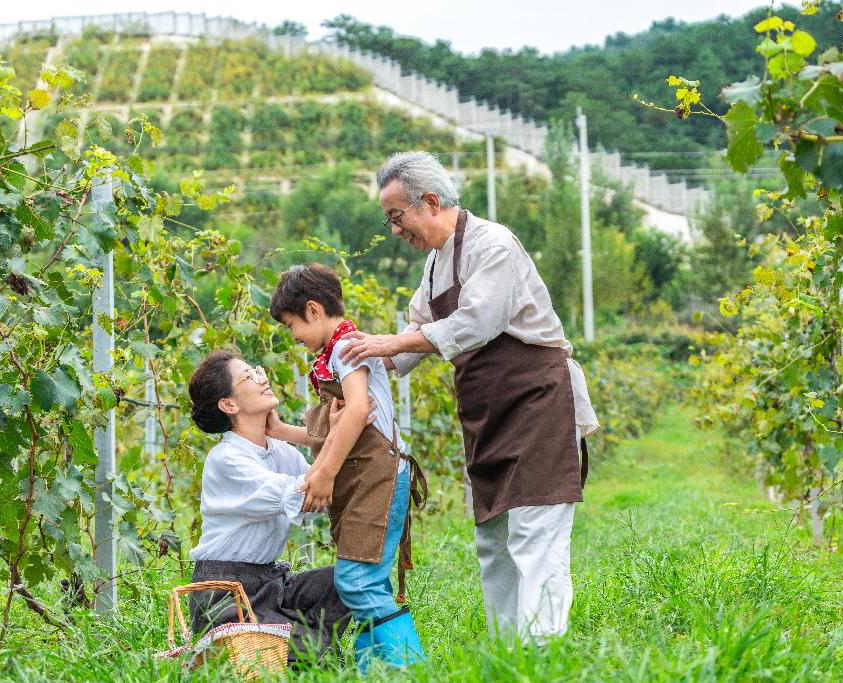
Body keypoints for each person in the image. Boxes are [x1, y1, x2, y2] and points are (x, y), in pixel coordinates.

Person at [339, 151, 600, 643]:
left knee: (535, 532)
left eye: (397, 218)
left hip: (535, 400)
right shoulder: (438, 263)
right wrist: (357, 365)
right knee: (494, 539)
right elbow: (416, 331)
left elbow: (478, 322)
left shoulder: (493, 244)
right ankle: (509, 653)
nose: (395, 230)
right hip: (489, 413)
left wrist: (393, 344)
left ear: (431, 202)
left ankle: (542, 656)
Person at [268, 263, 427, 671]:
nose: (293, 336)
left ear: (313, 310)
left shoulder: (343, 348)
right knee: (367, 580)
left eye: (291, 325)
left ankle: (409, 671)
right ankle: (376, 670)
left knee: (355, 580)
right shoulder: (335, 351)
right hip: (369, 476)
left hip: (379, 475)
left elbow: (356, 412)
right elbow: (336, 426)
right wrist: (283, 430)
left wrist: (323, 473)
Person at [186, 349, 367, 666]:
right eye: (248, 376)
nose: (262, 377)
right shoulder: (226, 460)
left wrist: (289, 433)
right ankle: (307, 652)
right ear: (229, 405)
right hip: (225, 594)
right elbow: (307, 490)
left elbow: (327, 491)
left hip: (269, 582)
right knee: (299, 648)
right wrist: (339, 431)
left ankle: (303, 649)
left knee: (349, 579)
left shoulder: (280, 452)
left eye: (257, 369)